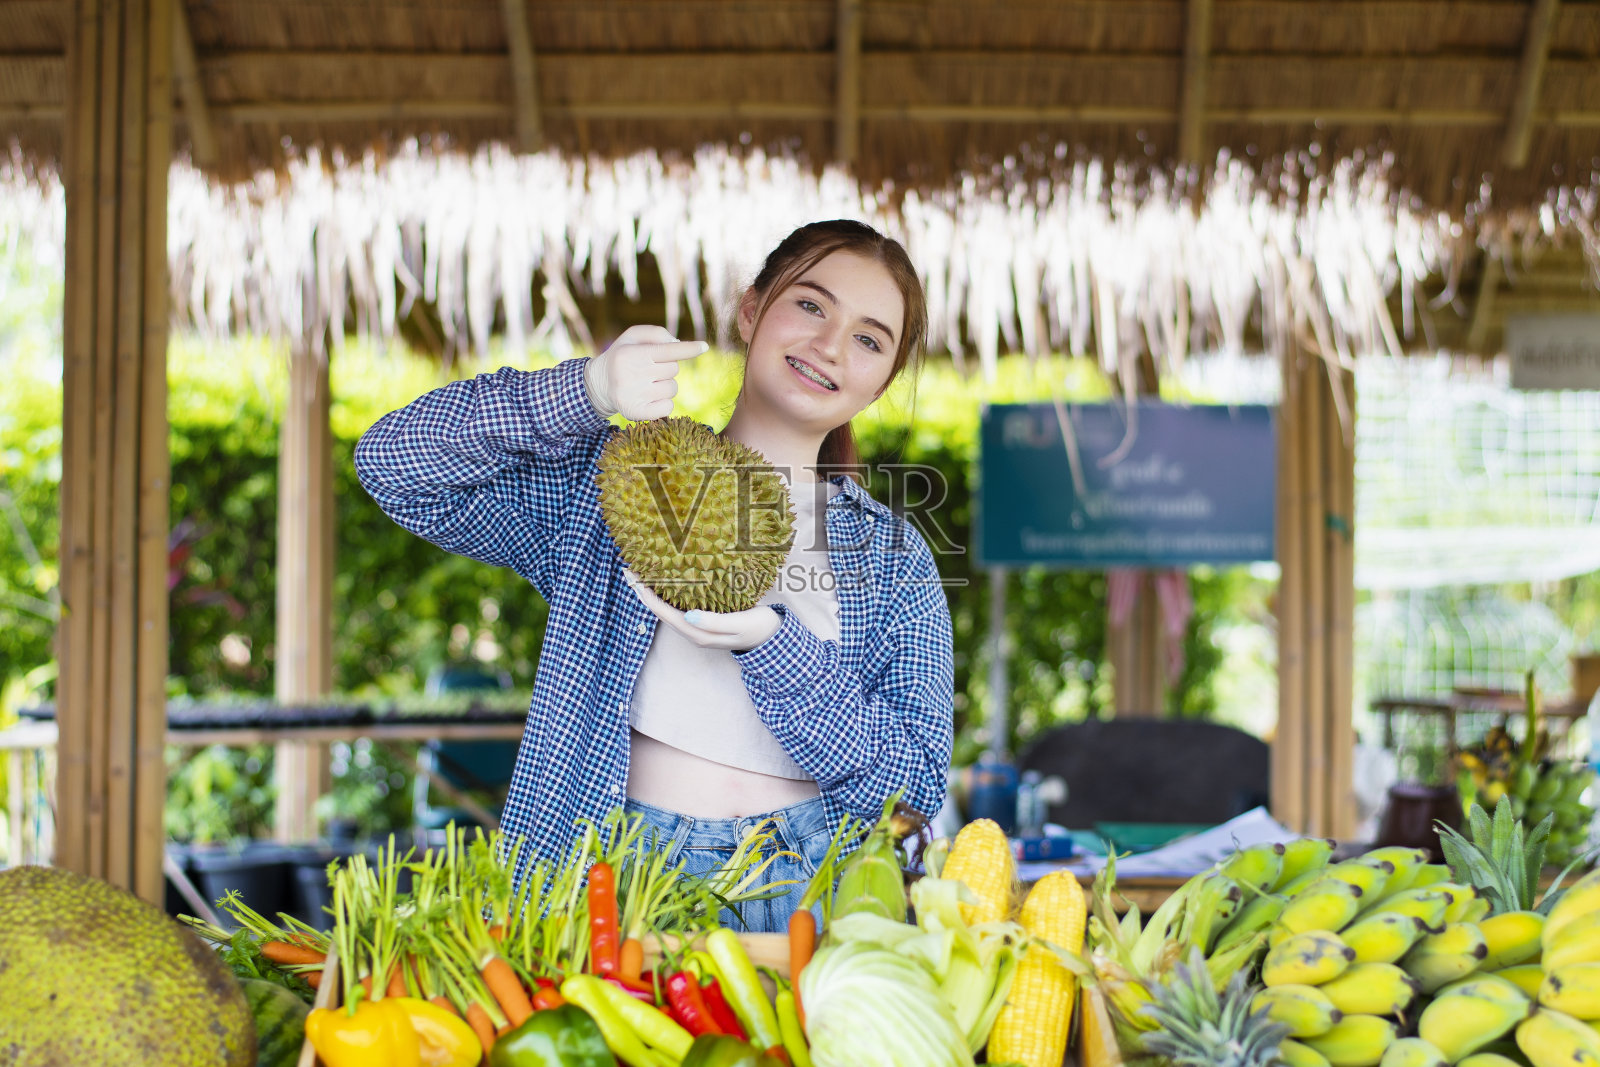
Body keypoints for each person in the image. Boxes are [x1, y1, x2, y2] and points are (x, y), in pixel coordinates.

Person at [355, 219, 954, 932]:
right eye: (812, 305)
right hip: (615, 875)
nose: (830, 344)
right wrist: (585, 389)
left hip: (814, 887)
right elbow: (394, 464)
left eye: (868, 338)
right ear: (752, 308)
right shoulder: (605, 486)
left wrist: (772, 643)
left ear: (883, 379)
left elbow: (912, 786)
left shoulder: (891, 556)